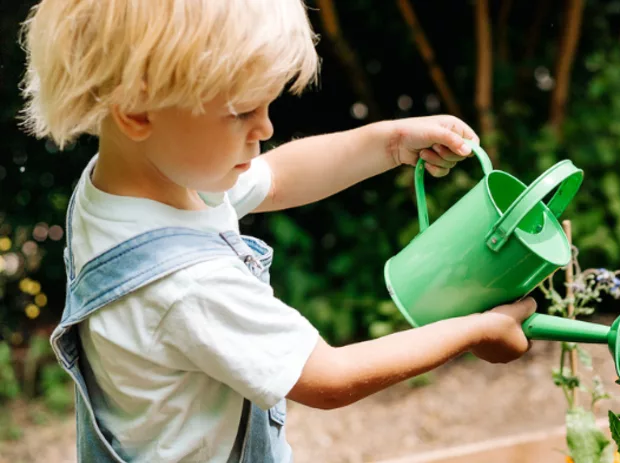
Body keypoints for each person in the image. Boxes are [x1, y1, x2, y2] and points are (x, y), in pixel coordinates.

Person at [19, 0, 538, 462]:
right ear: (136, 109)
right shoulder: (186, 286)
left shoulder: (133, 186)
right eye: (243, 111)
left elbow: (277, 178)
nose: (265, 128)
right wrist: (476, 329)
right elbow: (330, 378)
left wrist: (391, 143)